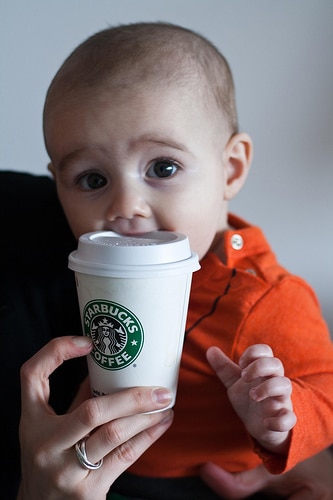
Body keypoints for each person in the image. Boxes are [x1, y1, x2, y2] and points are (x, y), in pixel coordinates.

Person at [1, 21, 332, 499]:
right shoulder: (72, 261)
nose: (125, 207)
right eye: (92, 180)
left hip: (195, 483)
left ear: (231, 169)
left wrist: (281, 416)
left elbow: (325, 391)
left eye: (163, 168)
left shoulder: (265, 297)